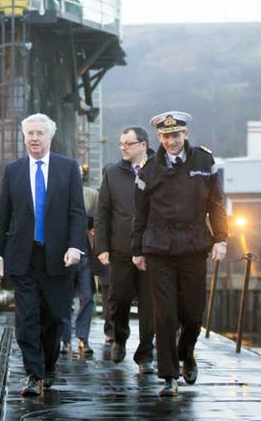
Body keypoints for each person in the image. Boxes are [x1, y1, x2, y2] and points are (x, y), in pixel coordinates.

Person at [131, 111, 228, 397]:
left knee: (193, 313)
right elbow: (141, 213)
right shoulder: (149, 169)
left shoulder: (204, 161)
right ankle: (169, 376)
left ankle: (187, 352)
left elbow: (217, 204)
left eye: (176, 135)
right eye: (166, 136)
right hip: (159, 248)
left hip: (194, 246)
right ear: (159, 138)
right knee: (165, 315)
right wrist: (137, 249)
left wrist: (221, 239)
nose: (171, 141)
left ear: (185, 134)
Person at [0, 113, 87, 396]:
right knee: (27, 317)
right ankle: (33, 375)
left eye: (39, 133)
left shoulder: (68, 168)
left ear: (50, 137)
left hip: (58, 256)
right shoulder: (13, 170)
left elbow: (77, 212)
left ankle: (48, 365)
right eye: (30, 133)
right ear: (24, 138)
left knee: (55, 316)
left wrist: (75, 246)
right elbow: (2, 216)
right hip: (24, 255)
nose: (34, 138)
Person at [95, 126, 155, 374]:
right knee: (118, 299)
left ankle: (145, 356)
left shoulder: (158, 170)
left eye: (128, 144)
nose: (123, 148)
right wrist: (102, 247)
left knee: (149, 305)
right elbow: (103, 213)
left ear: (143, 145)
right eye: (121, 143)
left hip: (151, 249)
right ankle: (119, 338)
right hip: (121, 249)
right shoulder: (112, 173)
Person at [60, 171, 97, 355]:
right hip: (63, 253)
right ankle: (64, 339)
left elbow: (99, 218)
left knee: (87, 296)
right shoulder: (57, 194)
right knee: (63, 298)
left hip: (84, 253)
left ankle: (83, 338)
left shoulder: (91, 195)